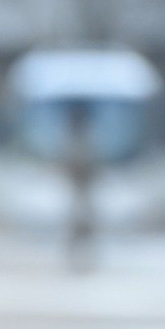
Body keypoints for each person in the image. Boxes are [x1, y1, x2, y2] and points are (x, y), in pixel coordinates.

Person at [64, 101, 96, 270]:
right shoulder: (72, 142)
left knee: (85, 226)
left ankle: (86, 258)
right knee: (75, 226)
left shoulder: (88, 142)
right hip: (74, 192)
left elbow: (93, 168)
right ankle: (75, 258)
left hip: (85, 192)